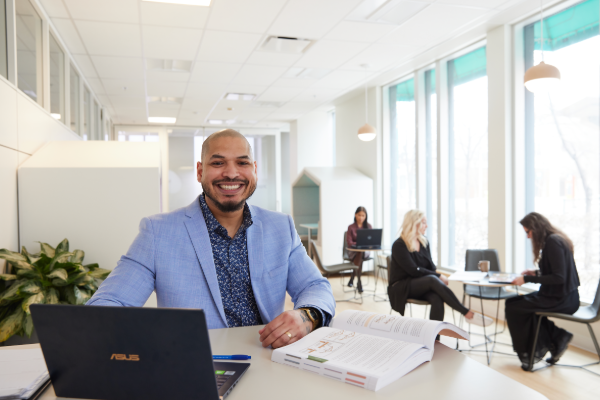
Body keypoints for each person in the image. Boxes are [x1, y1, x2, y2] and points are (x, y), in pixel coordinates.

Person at [87, 129, 335, 349]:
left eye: (242, 162)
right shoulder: (158, 232)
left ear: (254, 170)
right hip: (194, 366)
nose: (231, 173)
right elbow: (111, 302)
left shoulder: (280, 227)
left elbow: (315, 287)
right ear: (200, 171)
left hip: (269, 361)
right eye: (218, 163)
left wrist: (306, 316)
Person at [506, 212, 580, 370]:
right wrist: (535, 273)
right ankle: (558, 337)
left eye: (528, 232)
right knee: (513, 301)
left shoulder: (553, 242)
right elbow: (557, 274)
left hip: (563, 299)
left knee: (514, 308)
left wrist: (526, 279)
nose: (527, 237)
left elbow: (559, 278)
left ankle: (530, 354)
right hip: (558, 295)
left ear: (536, 228)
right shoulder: (553, 240)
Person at [388, 210, 486, 326]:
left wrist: (435, 274)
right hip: (402, 286)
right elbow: (413, 270)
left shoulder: (424, 242)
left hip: (421, 285)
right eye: (424, 222)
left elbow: (431, 267)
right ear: (414, 223)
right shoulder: (399, 245)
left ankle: (434, 339)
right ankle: (466, 313)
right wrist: (438, 276)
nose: (427, 226)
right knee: (431, 279)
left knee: (437, 299)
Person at [345, 206, 372, 293]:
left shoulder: (368, 226)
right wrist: (359, 244)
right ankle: (359, 281)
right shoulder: (351, 227)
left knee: (361, 253)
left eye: (363, 215)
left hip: (365, 252)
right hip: (353, 252)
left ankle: (353, 278)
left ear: (365, 216)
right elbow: (349, 242)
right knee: (359, 253)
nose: (361, 217)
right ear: (355, 215)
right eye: (359, 215)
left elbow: (371, 241)